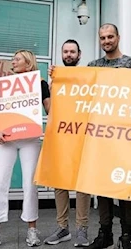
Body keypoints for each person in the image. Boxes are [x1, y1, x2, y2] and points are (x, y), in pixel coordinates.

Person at [85, 24, 131, 249]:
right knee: (102, 187)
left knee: (125, 188)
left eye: (110, 36)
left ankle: (126, 236)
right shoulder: (93, 66)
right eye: (103, 37)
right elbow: (80, 91)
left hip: (125, 137)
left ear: (118, 37)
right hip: (101, 137)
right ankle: (105, 234)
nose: (106, 41)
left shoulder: (130, 63)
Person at [0, 49, 51, 249]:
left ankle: (32, 229)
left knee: (30, 185)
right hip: (7, 139)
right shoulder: (7, 85)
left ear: (28, 64)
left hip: (30, 140)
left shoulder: (40, 84)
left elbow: (50, 110)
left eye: (17, 59)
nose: (13, 62)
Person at [44, 39, 92, 247]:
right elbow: (50, 111)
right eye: (66, 52)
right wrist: (53, 83)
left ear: (79, 55)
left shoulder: (88, 78)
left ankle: (82, 229)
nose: (69, 55)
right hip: (60, 137)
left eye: (73, 51)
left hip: (82, 136)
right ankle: (62, 228)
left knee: (82, 184)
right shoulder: (55, 80)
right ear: (62, 55)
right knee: (59, 183)